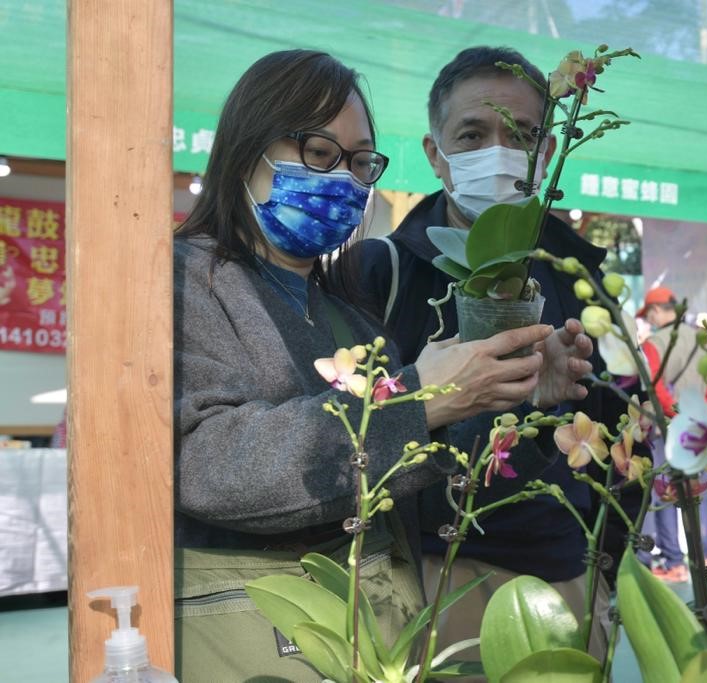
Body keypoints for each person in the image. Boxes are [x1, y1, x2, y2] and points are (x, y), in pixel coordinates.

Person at [172, 49, 589, 681]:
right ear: (244, 149)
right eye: (318, 152)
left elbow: (424, 477)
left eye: (360, 161)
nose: (342, 179)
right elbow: (206, 464)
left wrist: (524, 399)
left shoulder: (351, 312)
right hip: (252, 633)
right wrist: (421, 399)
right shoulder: (187, 280)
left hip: (377, 632)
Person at [335, 45, 636, 662]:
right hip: (430, 583)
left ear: (547, 153)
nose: (497, 152)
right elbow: (351, 439)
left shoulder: (580, 280)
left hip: (564, 579)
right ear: (435, 155)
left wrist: (602, 568)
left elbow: (620, 437)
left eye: (521, 134)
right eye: (472, 134)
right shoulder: (379, 271)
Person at [635, 287, 700, 581]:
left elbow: (655, 389)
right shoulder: (700, 339)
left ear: (655, 311)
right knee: (690, 494)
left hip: (666, 428)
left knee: (659, 494)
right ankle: (682, 559)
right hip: (699, 425)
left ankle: (662, 560)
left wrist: (675, 416)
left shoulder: (654, 343)